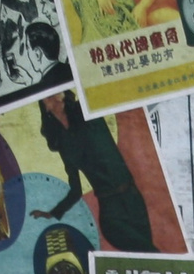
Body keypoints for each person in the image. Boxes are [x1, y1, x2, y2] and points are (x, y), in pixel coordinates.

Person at [32, 90, 154, 252]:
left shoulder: (86, 114)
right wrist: (52, 213)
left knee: (149, 259)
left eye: (56, 92)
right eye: (47, 97)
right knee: (150, 253)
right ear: (45, 108)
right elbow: (76, 190)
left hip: (133, 200)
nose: (53, 96)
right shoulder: (63, 144)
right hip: (111, 212)